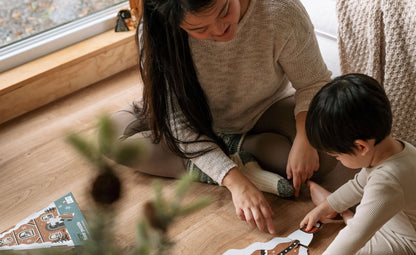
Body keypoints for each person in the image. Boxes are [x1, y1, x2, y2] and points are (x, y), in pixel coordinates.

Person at [111, 0, 337, 234]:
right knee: (108, 140)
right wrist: (235, 182)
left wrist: (305, 137)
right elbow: (177, 122)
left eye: (225, 11)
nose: (220, 30)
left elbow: (314, 82)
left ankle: (220, 153)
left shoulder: (281, 10)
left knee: (326, 151)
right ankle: (227, 160)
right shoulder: (156, 28)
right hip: (193, 115)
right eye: (200, 29)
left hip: (265, 107)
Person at [301, 73, 416, 255]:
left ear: (361, 146)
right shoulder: (394, 149)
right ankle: (352, 216)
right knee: (358, 230)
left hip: (409, 241)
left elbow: (357, 233)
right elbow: (358, 185)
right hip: (391, 218)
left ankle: (350, 217)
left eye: (336, 156)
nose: (336, 159)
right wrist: (325, 208)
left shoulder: (388, 180)